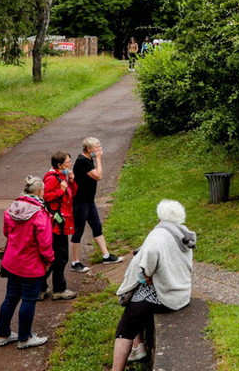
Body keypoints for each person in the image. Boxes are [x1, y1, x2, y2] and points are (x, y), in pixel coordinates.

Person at [111, 199, 196, 370]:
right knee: (136, 302)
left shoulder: (157, 236)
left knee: (126, 322)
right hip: (181, 293)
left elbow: (147, 262)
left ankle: (117, 367)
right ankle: (139, 345)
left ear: (160, 216)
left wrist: (145, 277)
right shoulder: (183, 234)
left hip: (166, 297)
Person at [0, 176, 54, 350]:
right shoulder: (40, 214)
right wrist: (49, 260)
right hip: (31, 265)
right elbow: (45, 243)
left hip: (12, 262)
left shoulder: (13, 208)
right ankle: (25, 337)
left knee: (10, 299)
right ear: (39, 192)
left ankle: (3, 334)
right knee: (28, 300)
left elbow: (7, 232)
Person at [70, 137, 122, 272]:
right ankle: (75, 262)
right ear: (88, 149)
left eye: (100, 146)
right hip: (80, 201)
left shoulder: (88, 159)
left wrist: (96, 158)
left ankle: (106, 255)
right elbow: (98, 176)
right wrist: (98, 159)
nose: (99, 149)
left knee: (97, 226)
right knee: (78, 230)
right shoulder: (83, 161)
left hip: (88, 200)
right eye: (97, 147)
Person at [42, 151, 77, 300]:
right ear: (59, 165)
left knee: (58, 256)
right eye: (68, 161)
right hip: (56, 224)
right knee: (59, 257)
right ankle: (58, 289)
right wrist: (59, 191)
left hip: (63, 221)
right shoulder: (52, 179)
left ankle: (41, 287)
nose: (70, 164)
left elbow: (71, 194)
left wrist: (72, 181)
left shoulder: (63, 176)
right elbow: (45, 196)